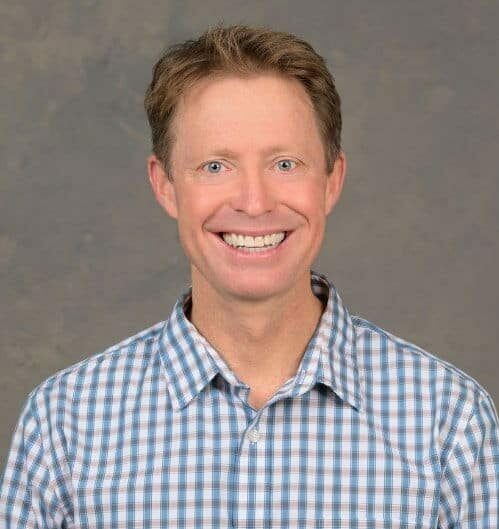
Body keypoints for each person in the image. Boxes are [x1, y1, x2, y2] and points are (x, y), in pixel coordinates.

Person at [1, 23, 497, 529]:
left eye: (285, 163)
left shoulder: (449, 423)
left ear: (331, 181)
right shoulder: (64, 424)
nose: (254, 203)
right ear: (166, 185)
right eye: (216, 167)